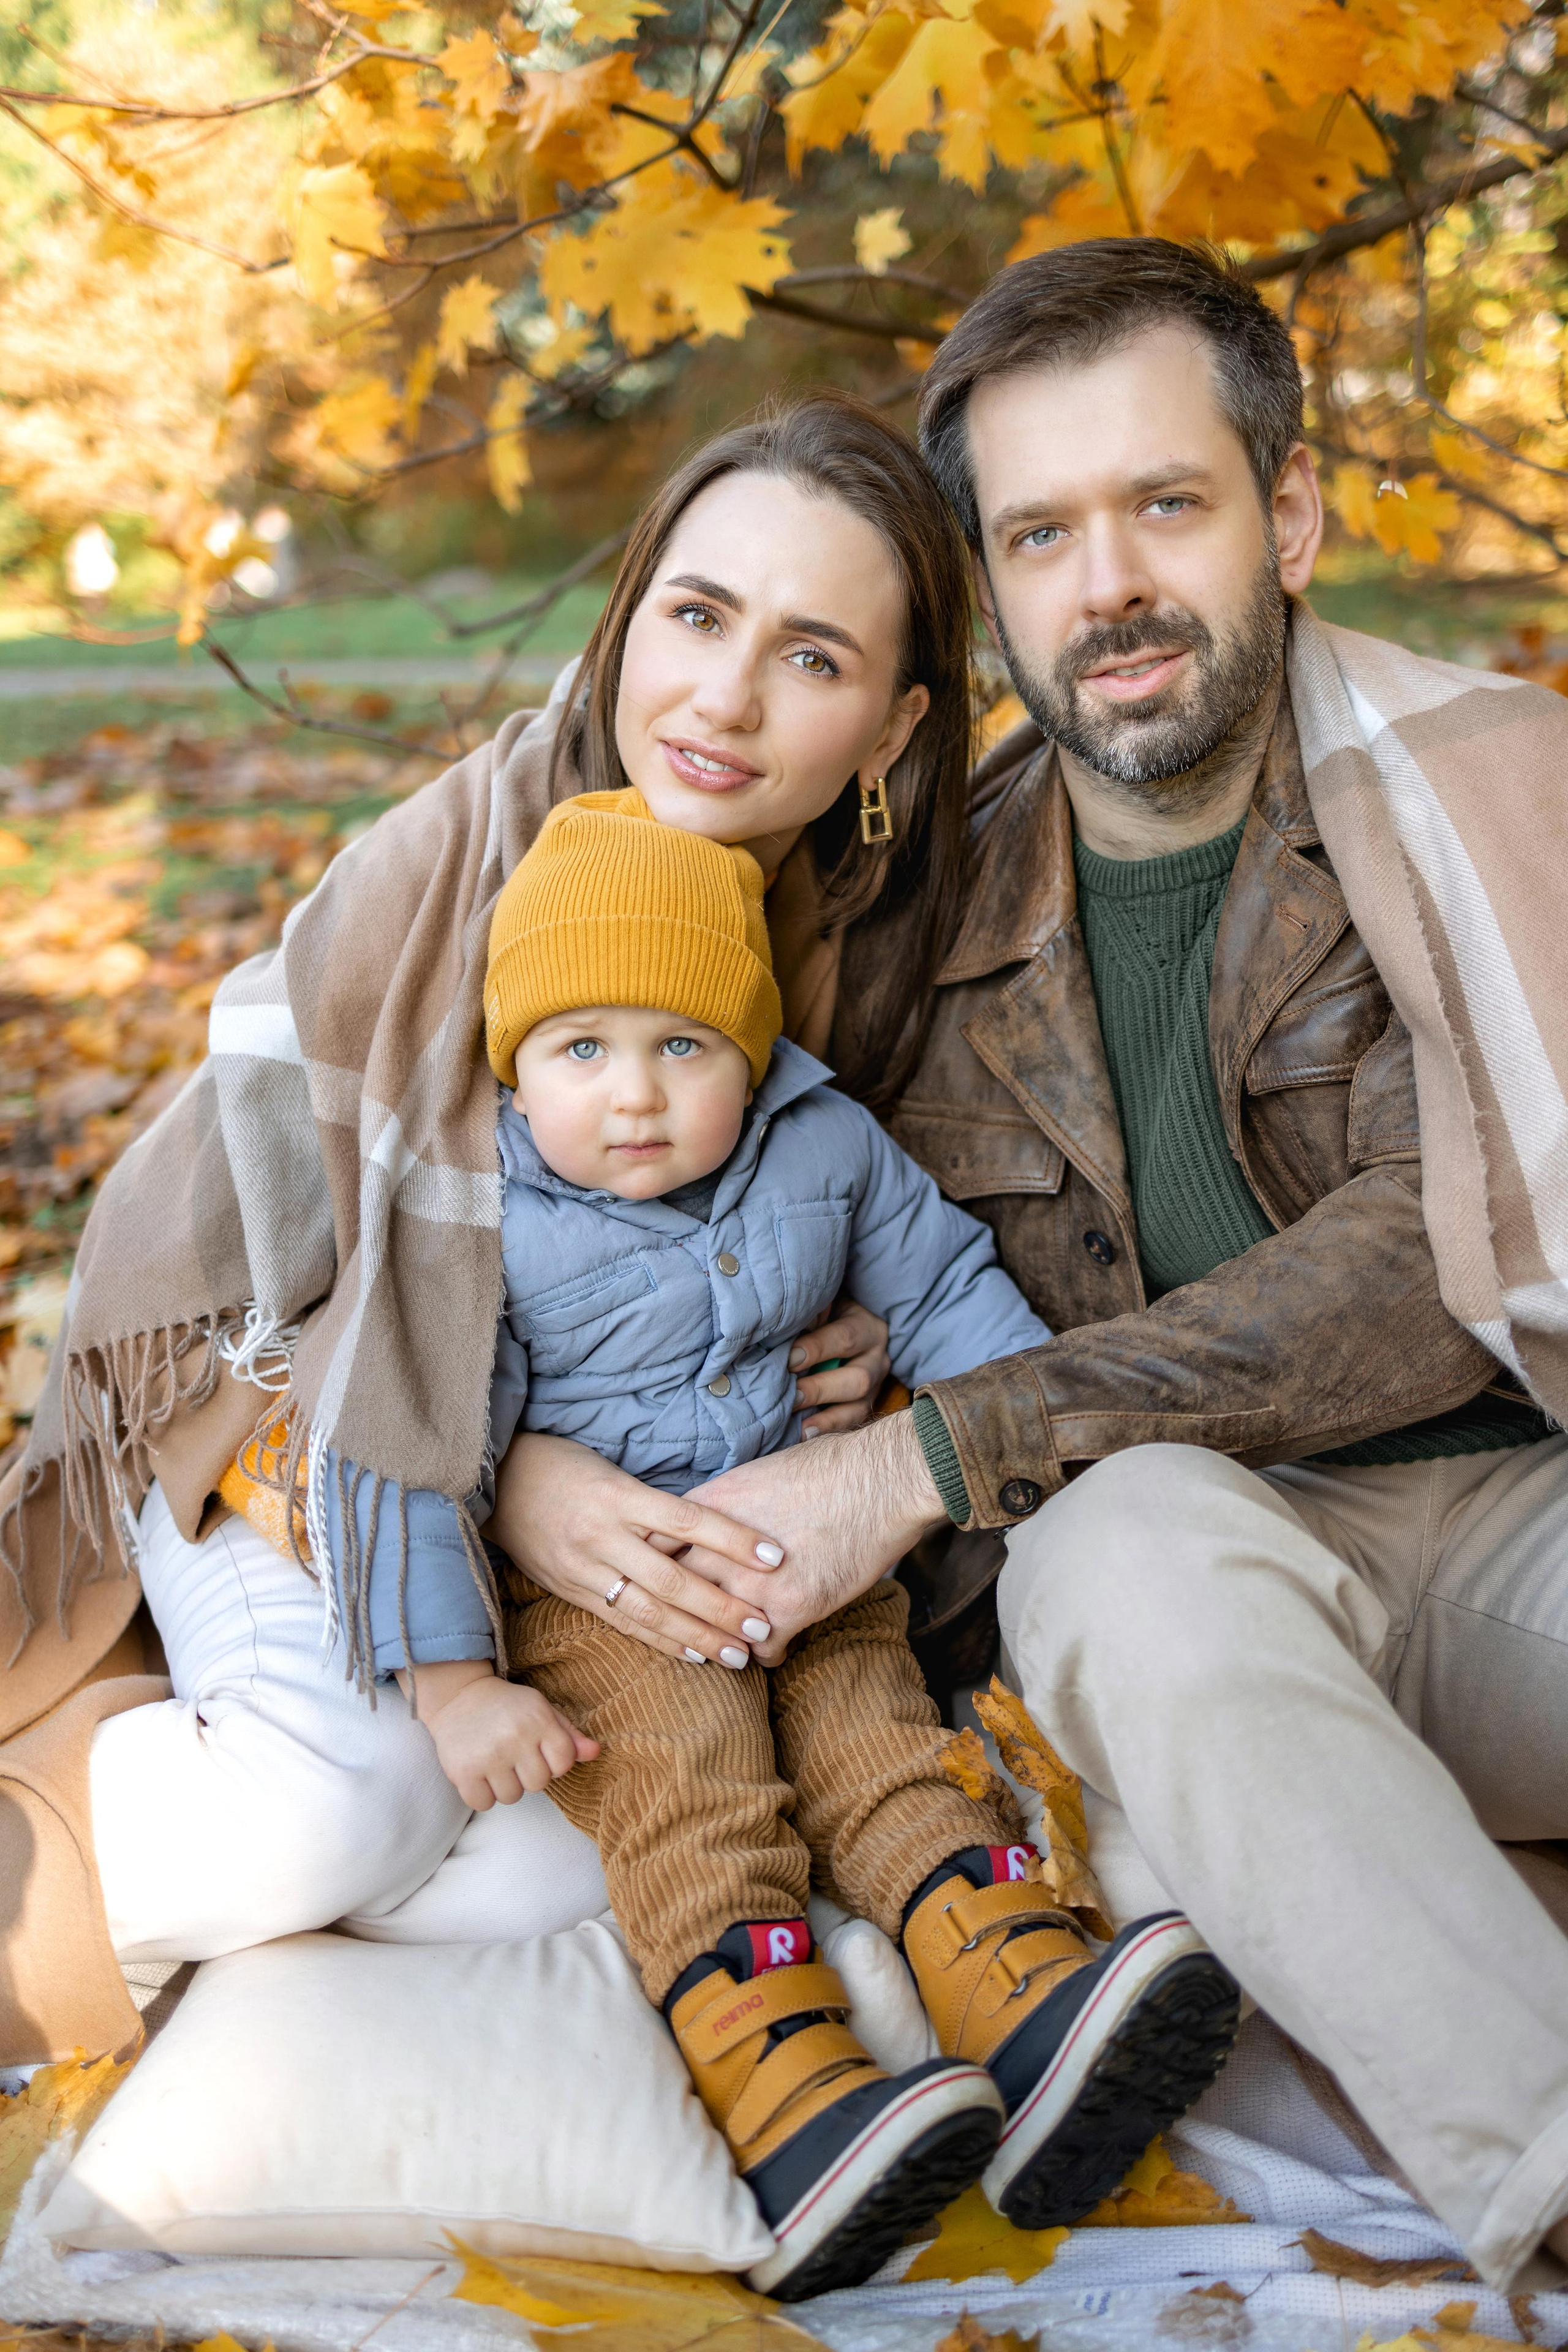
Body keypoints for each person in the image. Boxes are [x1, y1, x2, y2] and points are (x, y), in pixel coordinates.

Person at [506, 241, 1568, 2299]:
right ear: (990, 591)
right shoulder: (905, 916)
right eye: (1044, 535)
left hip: (1521, 1509)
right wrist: (685, 1416)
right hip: (1188, 1611)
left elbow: (1440, 1250)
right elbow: (627, 1192)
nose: (1116, 585)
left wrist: (922, 1452)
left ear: (1296, 513)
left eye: (1168, 504)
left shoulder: (1490, 802)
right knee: (1129, 1547)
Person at [318, 782, 1235, 2298]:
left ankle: (1013, 1982)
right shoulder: (477, 1211)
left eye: (684, 1047)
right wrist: (451, 1686)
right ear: (514, 1063)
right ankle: (788, 2094)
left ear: (750, 1051)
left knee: (882, 1738)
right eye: (580, 1050)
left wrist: (1041, 1456)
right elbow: (406, 1448)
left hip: (811, 1554)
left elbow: (943, 1292)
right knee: (690, 1784)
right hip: (610, 1606)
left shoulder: (825, 1143)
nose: (633, 1094)